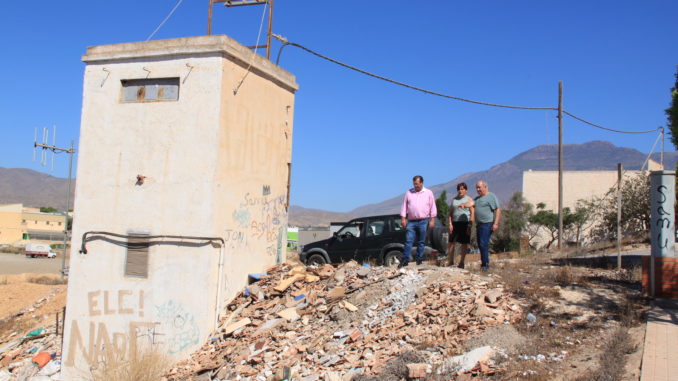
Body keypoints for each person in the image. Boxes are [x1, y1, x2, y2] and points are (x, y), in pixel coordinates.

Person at [400, 175, 437, 266]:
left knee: (421, 241)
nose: (415, 186)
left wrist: (432, 220)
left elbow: (432, 207)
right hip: (411, 221)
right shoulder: (409, 192)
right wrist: (403, 218)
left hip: (423, 221)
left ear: (421, 183)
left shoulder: (428, 193)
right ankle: (405, 260)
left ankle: (419, 259)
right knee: (409, 241)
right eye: (414, 184)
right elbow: (404, 206)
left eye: (417, 184)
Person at [472, 180, 501, 271]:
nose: (478, 189)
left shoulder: (491, 196)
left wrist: (496, 223)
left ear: (485, 187)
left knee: (483, 243)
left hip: (487, 224)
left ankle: (485, 265)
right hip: (479, 225)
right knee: (480, 245)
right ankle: (484, 263)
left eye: (479, 187)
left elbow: (498, 209)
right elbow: (470, 204)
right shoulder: (476, 199)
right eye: (476, 187)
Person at [447, 183, 474, 268]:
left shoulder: (469, 199)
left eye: (462, 189)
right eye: (459, 189)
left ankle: (462, 262)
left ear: (466, 190)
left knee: (464, 243)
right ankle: (451, 261)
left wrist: (470, 225)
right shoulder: (454, 200)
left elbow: (472, 213)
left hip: (465, 223)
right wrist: (450, 224)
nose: (460, 191)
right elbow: (450, 213)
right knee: (451, 242)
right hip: (455, 223)